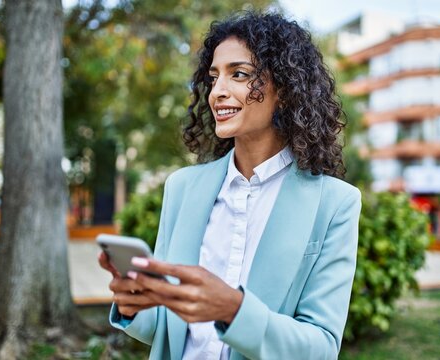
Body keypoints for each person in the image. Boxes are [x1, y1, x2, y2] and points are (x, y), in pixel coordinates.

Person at [99, 11, 361, 360]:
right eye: (213, 77)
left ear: (283, 88)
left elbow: (321, 347)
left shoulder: (334, 203)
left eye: (239, 74)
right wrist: (134, 304)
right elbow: (167, 331)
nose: (217, 92)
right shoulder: (182, 187)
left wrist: (234, 311)